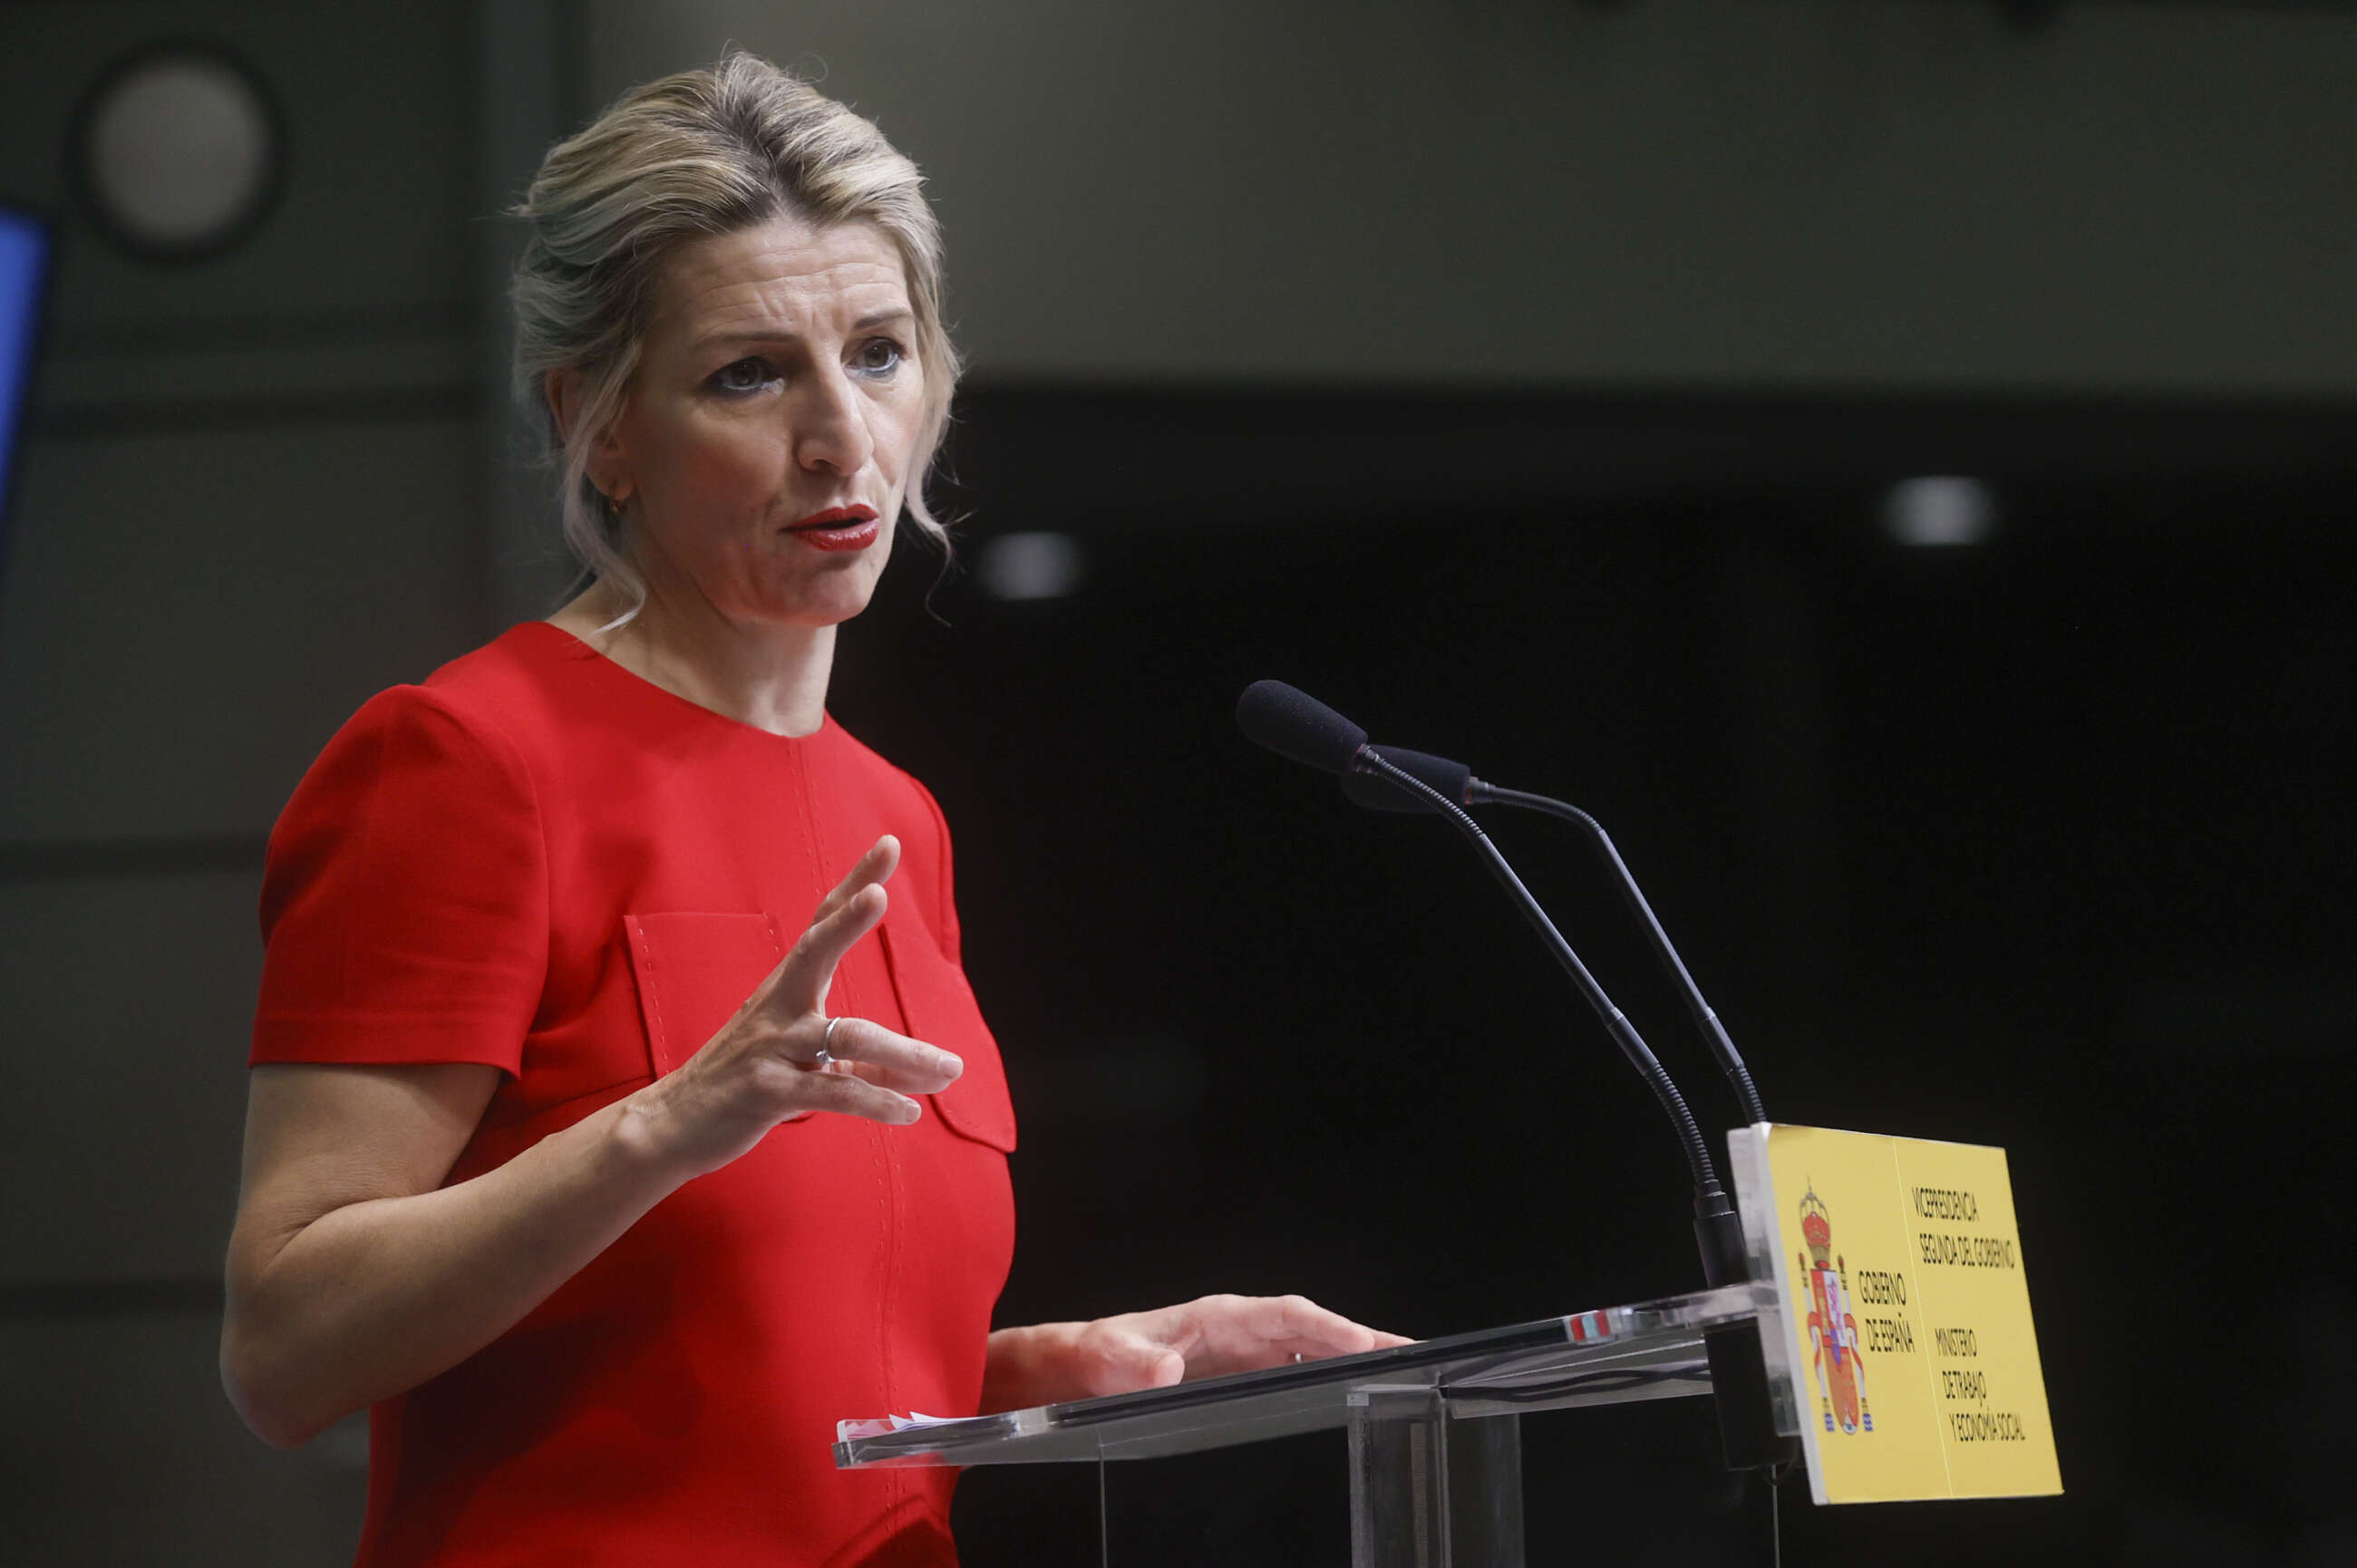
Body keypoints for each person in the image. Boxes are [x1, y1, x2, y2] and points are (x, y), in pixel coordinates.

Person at [217, 52, 1401, 1568]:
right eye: (750, 373)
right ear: (602, 421)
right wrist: (667, 1124)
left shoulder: (893, 814)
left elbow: (713, 1363)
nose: (841, 434)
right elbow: (282, 1345)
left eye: (881, 352)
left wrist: (1051, 1364)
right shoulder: (464, 762)